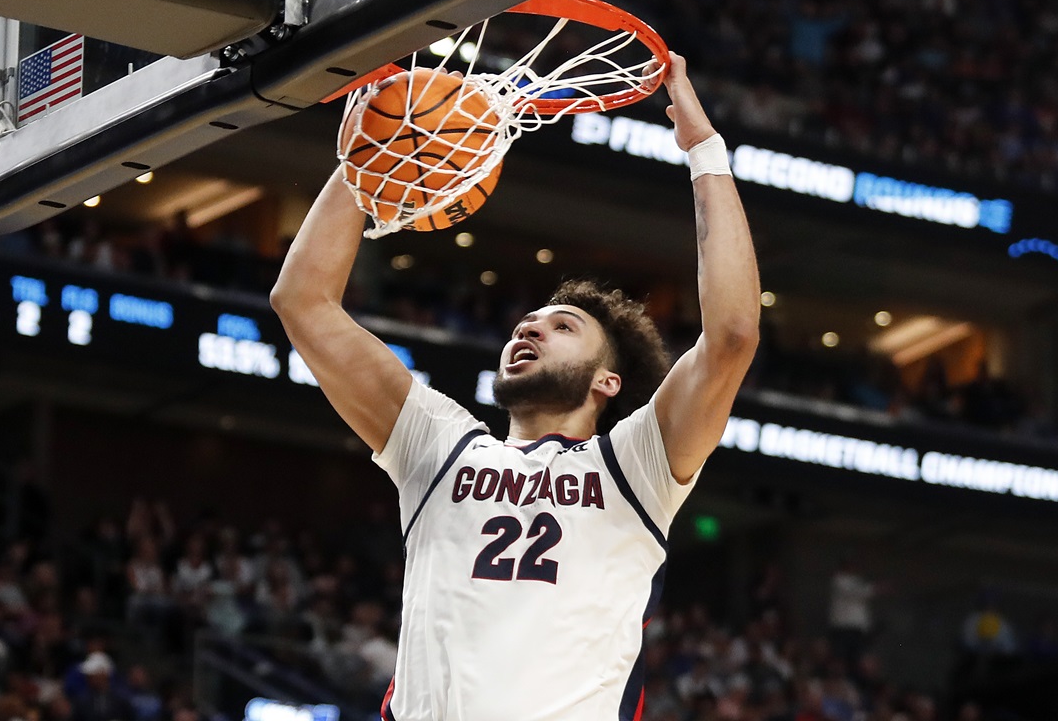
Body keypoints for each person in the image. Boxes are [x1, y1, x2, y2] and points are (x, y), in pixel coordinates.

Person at [270, 53, 760, 720]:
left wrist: (705, 152)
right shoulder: (439, 445)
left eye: (561, 327)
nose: (527, 332)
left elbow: (731, 335)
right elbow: (303, 301)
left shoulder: (635, 466)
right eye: (525, 324)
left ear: (608, 381)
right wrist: (374, 144)